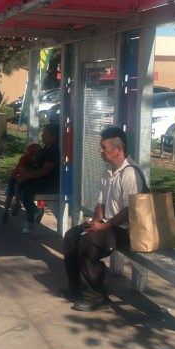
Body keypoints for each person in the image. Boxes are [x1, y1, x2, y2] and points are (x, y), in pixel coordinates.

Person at [60, 126, 148, 312]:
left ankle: (96, 297)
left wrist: (104, 225)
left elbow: (130, 210)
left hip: (126, 229)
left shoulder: (130, 173)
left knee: (88, 243)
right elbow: (100, 203)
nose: (100, 151)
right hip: (108, 224)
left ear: (119, 149)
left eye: (104, 147)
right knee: (72, 236)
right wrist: (95, 223)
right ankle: (77, 288)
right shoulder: (108, 172)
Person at [17, 123, 60, 233]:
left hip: (50, 182)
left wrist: (26, 175)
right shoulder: (46, 147)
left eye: (45, 134)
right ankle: (35, 210)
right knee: (18, 186)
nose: (42, 136)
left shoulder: (54, 151)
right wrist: (26, 173)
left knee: (26, 192)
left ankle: (31, 221)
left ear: (54, 136)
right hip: (42, 179)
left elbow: (44, 171)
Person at [2, 142, 41, 224]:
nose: (35, 158)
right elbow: (23, 170)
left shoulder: (39, 159)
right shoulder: (24, 158)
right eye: (33, 156)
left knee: (23, 191)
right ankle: (6, 212)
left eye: (37, 155)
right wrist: (32, 171)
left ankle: (19, 204)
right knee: (10, 194)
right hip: (15, 177)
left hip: (24, 178)